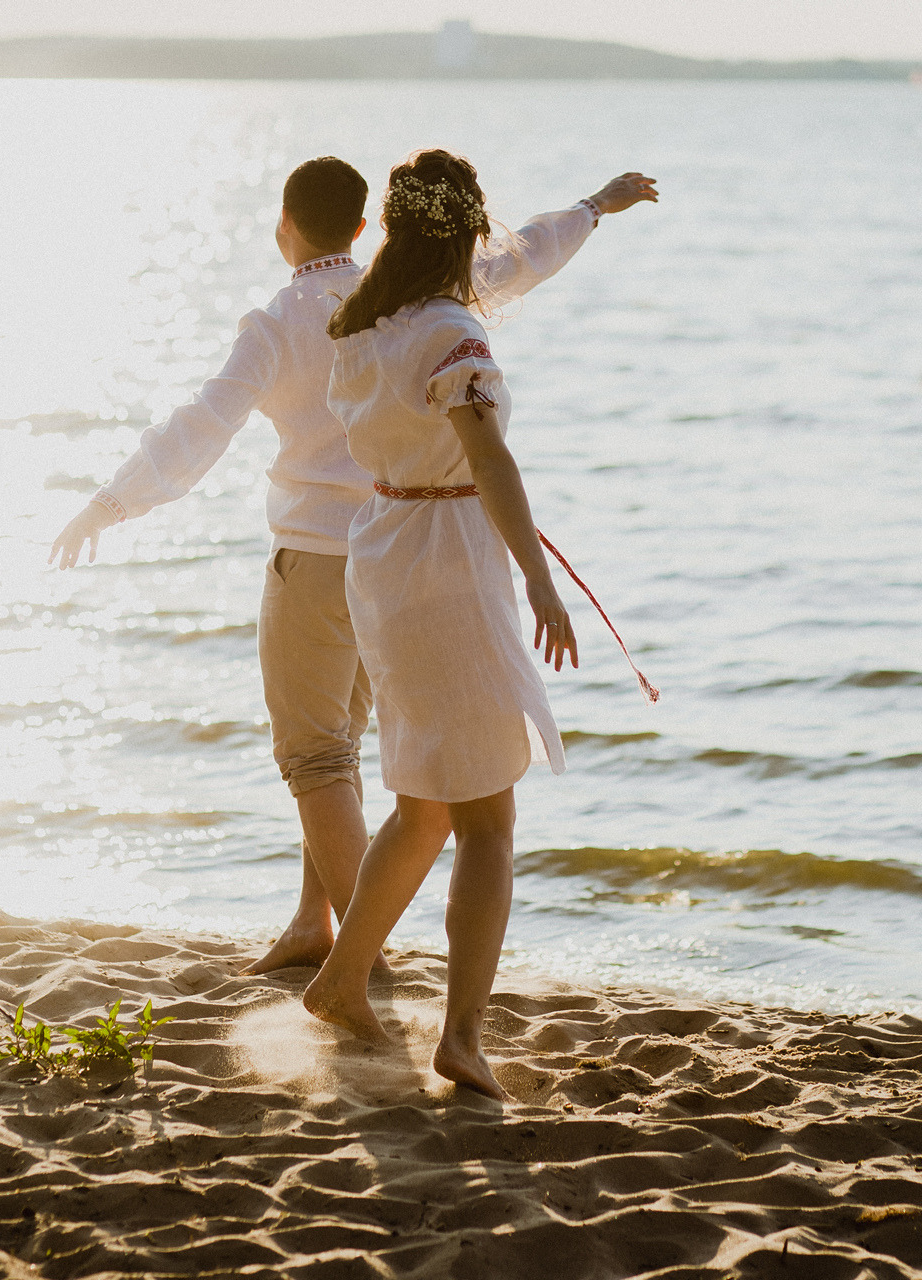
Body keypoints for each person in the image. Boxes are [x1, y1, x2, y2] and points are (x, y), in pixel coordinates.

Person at [49, 157, 658, 977]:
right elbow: (520, 259)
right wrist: (595, 205)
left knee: (315, 759)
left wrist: (111, 502)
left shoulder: (289, 320)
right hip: (399, 557)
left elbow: (201, 424)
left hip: (318, 559)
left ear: (284, 226)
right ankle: (315, 921)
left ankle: (365, 966)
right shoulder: (404, 294)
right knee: (350, 745)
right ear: (366, 227)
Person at [302, 149, 597, 1100]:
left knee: (426, 800)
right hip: (447, 564)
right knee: (488, 820)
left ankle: (343, 979)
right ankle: (462, 1038)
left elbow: (526, 262)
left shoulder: (364, 323)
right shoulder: (450, 329)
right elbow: (491, 461)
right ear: (467, 230)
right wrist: (540, 582)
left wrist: (601, 205)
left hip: (385, 549)